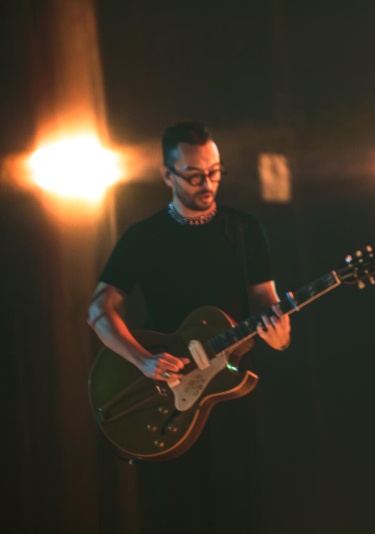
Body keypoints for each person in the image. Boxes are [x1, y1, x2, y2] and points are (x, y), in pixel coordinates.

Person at [87, 121, 291, 534]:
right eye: (195, 175)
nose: (208, 184)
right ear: (168, 175)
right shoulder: (143, 237)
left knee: (242, 513)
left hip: (233, 398)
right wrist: (143, 361)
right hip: (168, 400)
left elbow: (271, 310)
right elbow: (98, 310)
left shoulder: (245, 230)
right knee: (180, 516)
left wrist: (280, 335)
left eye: (215, 172)